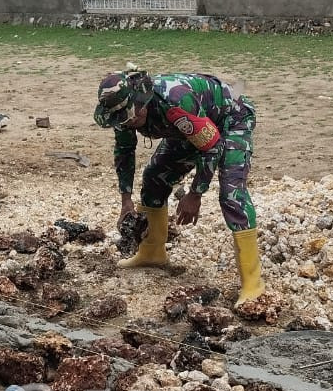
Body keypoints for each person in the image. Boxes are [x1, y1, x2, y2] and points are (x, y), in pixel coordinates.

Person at [93, 67, 263, 307]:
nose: (128, 122)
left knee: (231, 194)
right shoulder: (121, 112)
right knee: (154, 177)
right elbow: (124, 152)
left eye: (131, 116)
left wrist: (195, 194)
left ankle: (252, 284)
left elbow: (211, 146)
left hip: (230, 120)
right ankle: (153, 252)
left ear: (142, 103)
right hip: (190, 129)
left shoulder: (176, 103)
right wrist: (126, 200)